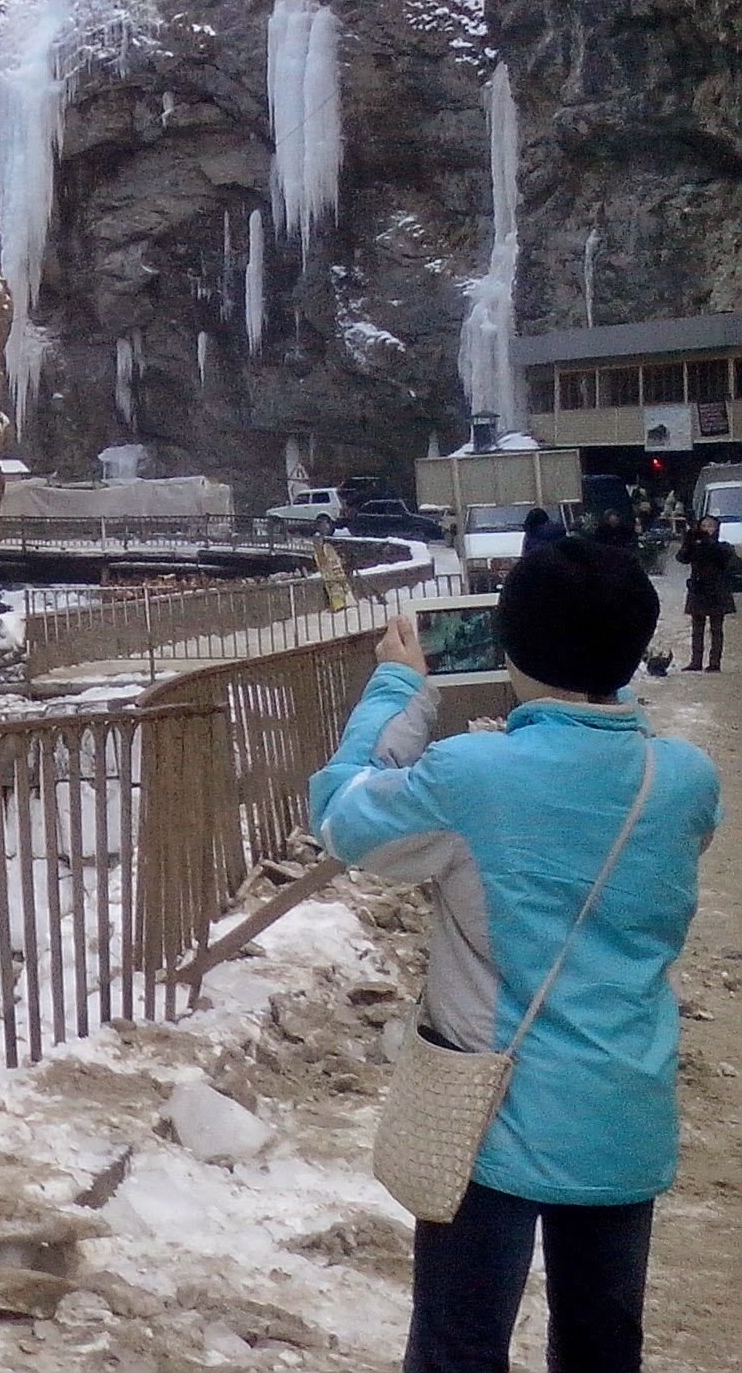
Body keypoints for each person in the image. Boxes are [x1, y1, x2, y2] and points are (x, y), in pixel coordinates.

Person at [310, 540, 721, 1373]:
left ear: (509, 644)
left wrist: (396, 688)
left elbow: (344, 817)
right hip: (621, 1107)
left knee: (459, 1348)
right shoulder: (685, 778)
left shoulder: (475, 775)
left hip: (487, 1119)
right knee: (604, 1348)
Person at [676, 516, 735, 672]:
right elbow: (682, 558)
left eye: (711, 526)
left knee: (716, 629)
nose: (707, 529)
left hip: (717, 591)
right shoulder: (695, 545)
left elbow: (724, 559)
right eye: (704, 526)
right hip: (698, 589)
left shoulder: (724, 546)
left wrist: (708, 543)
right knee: (697, 629)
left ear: (717, 528)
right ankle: (696, 662)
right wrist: (688, 543)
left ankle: (715, 663)